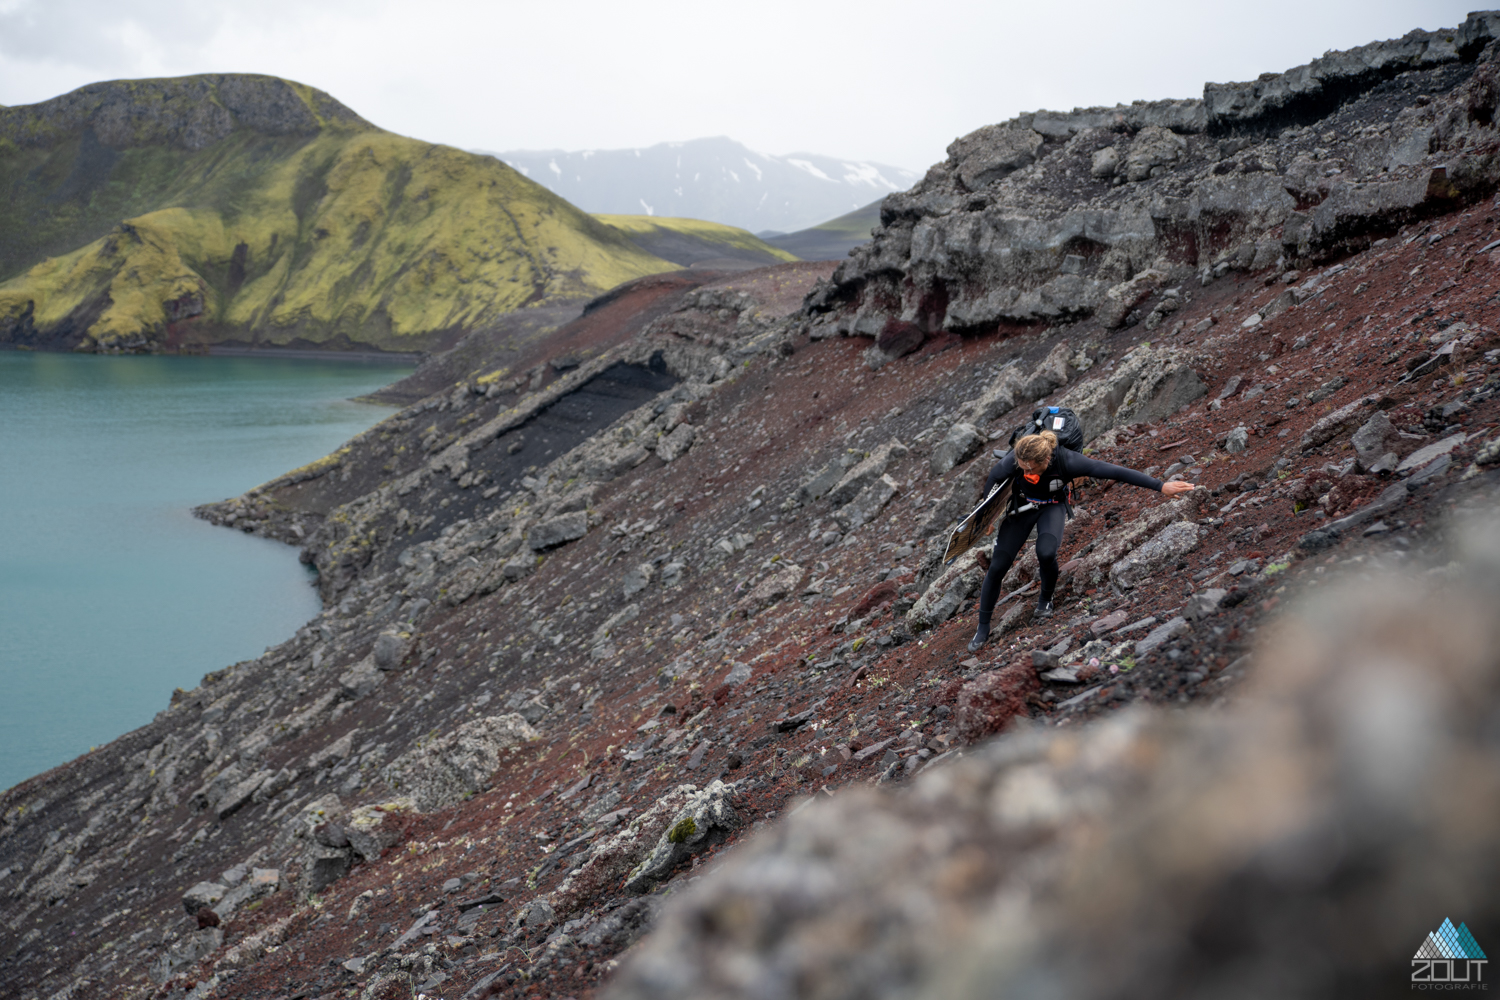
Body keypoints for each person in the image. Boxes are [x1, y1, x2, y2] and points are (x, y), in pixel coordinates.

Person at [967, 429, 1196, 652]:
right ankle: (983, 627)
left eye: (1032, 469)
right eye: (1023, 469)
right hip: (1022, 506)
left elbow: (1113, 471)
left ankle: (1045, 600)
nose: (1027, 473)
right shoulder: (1015, 461)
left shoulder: (1068, 461)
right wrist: (986, 515)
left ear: (1047, 459)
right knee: (997, 566)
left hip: (1052, 507)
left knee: (1046, 553)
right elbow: (995, 480)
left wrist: (1161, 486)